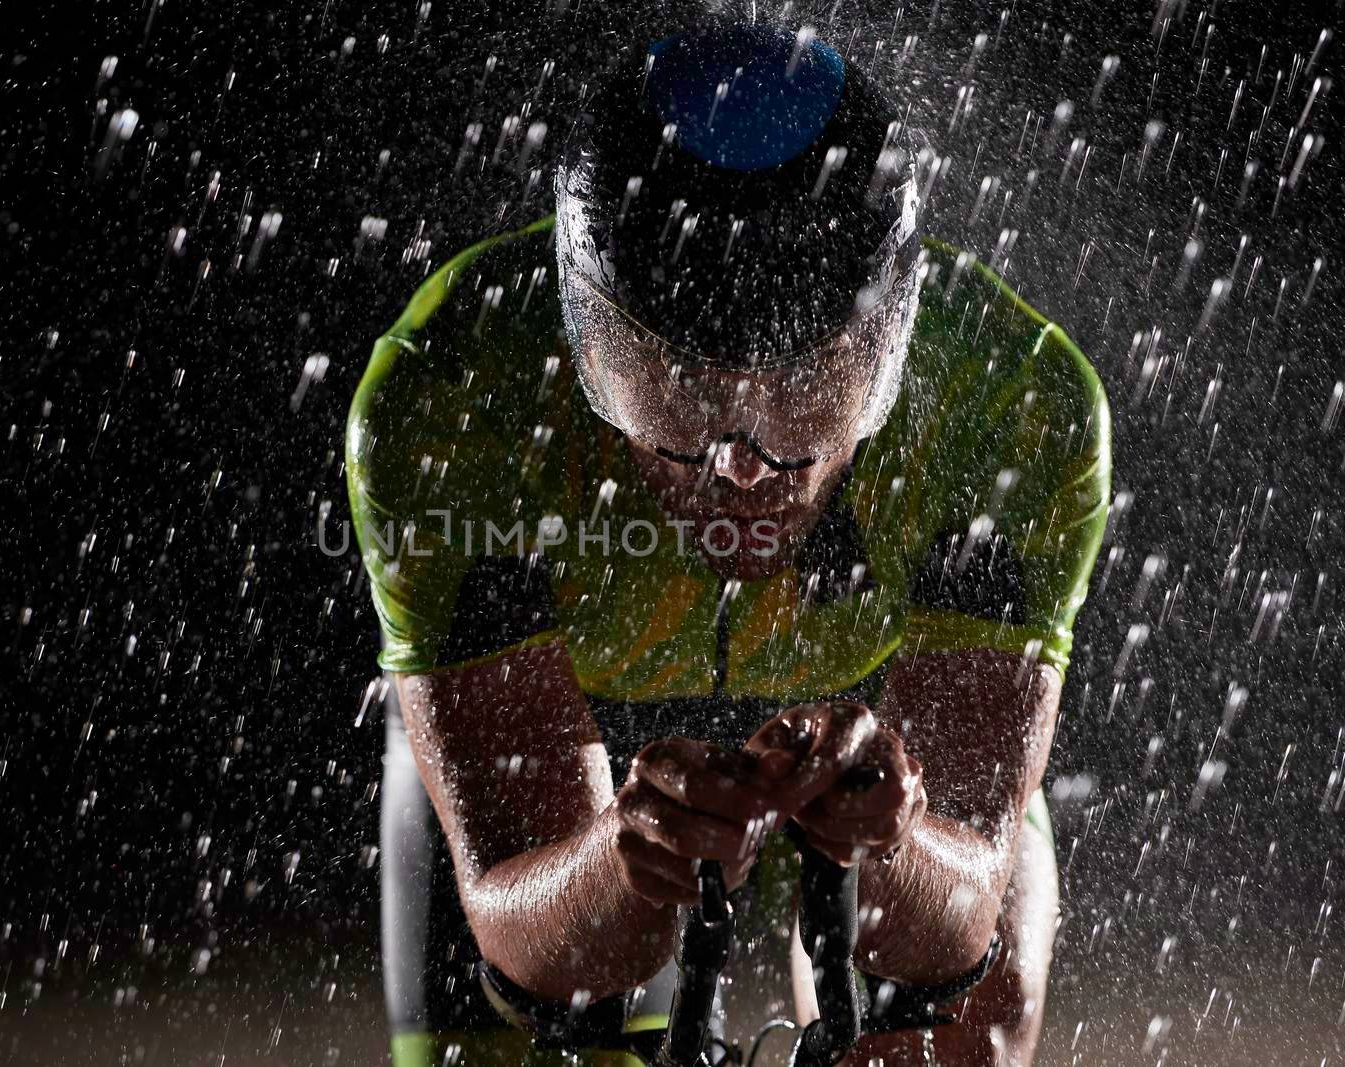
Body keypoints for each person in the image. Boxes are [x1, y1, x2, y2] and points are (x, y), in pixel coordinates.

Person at [347, 20, 1110, 1066]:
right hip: (572, 727)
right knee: (558, 997)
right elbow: (535, 936)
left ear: (889, 354)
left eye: (800, 398)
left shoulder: (1014, 405)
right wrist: (618, 866)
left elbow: (951, 919)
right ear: (586, 342)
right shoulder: (450, 393)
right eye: (675, 390)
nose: (739, 467)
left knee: (951, 1023)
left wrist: (892, 832)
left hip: (863, 725)